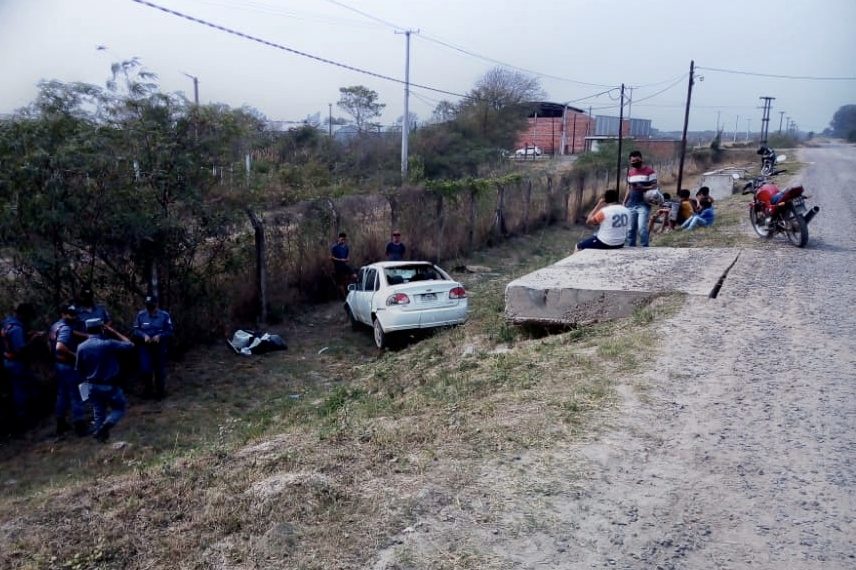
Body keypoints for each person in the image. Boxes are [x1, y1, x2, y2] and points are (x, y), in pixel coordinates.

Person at [76, 318, 134, 442]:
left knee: (98, 413)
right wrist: (113, 331)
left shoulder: (81, 347)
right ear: (102, 328)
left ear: (87, 329)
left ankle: (101, 440)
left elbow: (79, 370)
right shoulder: (108, 344)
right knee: (119, 408)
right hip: (109, 385)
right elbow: (130, 345)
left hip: (92, 386)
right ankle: (107, 424)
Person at [1, 303, 42, 434]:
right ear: (23, 315)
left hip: (8, 360)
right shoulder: (16, 329)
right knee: (21, 392)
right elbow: (21, 349)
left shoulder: (8, 322)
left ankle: (27, 417)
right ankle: (24, 422)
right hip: (16, 363)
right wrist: (34, 339)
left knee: (23, 388)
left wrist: (30, 334)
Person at [49, 303, 88, 437]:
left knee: (62, 394)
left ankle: (61, 424)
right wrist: (74, 356)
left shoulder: (56, 325)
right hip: (68, 364)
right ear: (63, 314)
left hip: (59, 365)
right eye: (70, 314)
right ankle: (80, 425)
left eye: (74, 314)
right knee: (76, 395)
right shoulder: (65, 328)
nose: (73, 317)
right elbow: (60, 347)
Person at [133, 295, 174, 401]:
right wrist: (143, 336)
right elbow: (136, 330)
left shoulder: (164, 315)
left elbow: (169, 331)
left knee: (159, 369)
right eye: (147, 305)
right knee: (145, 368)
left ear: (156, 304)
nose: (149, 307)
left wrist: (160, 336)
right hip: (145, 346)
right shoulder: (141, 315)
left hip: (159, 346)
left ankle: (160, 392)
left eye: (151, 305)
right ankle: (147, 390)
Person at [623, 150, 658, 247]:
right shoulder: (630, 173)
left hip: (644, 204)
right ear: (630, 161)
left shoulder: (650, 172)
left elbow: (654, 186)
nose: (635, 162)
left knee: (642, 228)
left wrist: (642, 188)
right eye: (633, 161)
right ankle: (631, 248)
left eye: (637, 160)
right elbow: (629, 188)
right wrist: (624, 202)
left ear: (641, 159)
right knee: (630, 229)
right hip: (631, 203)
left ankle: (645, 248)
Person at [330, 232, 354, 298]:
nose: (343, 241)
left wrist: (347, 259)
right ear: (339, 239)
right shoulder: (334, 247)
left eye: (344, 239)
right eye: (342, 239)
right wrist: (340, 260)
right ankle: (344, 297)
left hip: (344, 265)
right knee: (340, 283)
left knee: (354, 275)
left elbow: (347, 256)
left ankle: (352, 291)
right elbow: (332, 257)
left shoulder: (346, 247)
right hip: (337, 266)